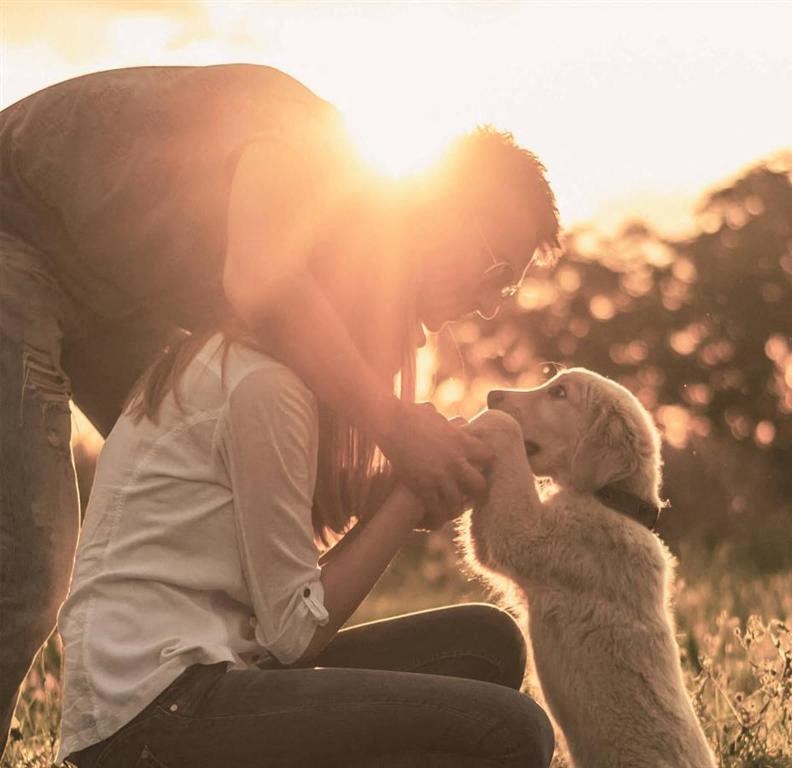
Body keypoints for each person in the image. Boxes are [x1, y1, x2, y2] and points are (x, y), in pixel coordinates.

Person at [0, 63, 561, 761]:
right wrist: (404, 455)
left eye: (504, 289)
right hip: (17, 230)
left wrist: (399, 487)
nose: (487, 301)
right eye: (493, 268)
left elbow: (260, 483)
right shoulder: (310, 147)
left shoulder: (283, 338)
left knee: (480, 643)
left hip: (113, 297)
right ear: (442, 207)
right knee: (23, 566)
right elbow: (262, 280)